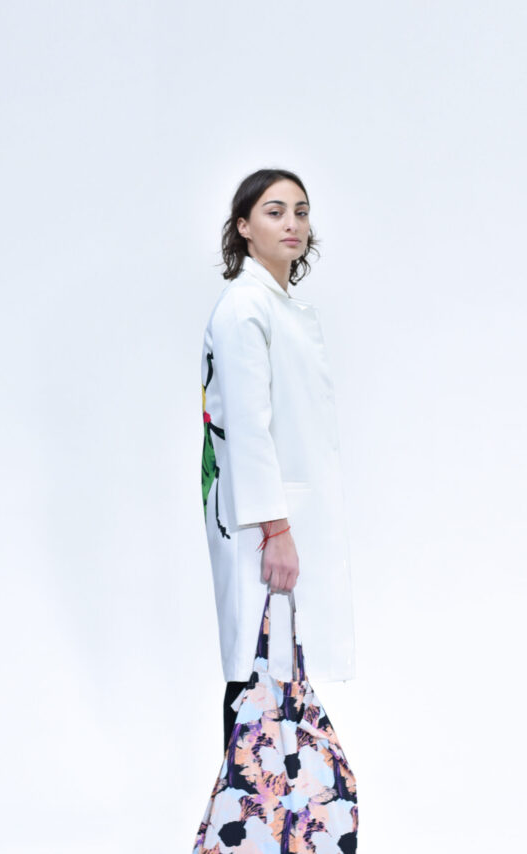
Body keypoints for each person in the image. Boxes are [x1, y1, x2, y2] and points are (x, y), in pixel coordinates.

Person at [200, 168, 356, 754]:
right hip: (262, 524)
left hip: (277, 517)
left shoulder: (276, 305)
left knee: (277, 671)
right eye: (274, 211)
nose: (292, 223)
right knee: (255, 670)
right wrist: (276, 530)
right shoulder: (244, 308)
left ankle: (272, 810)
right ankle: (241, 808)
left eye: (301, 211)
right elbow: (247, 429)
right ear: (243, 227)